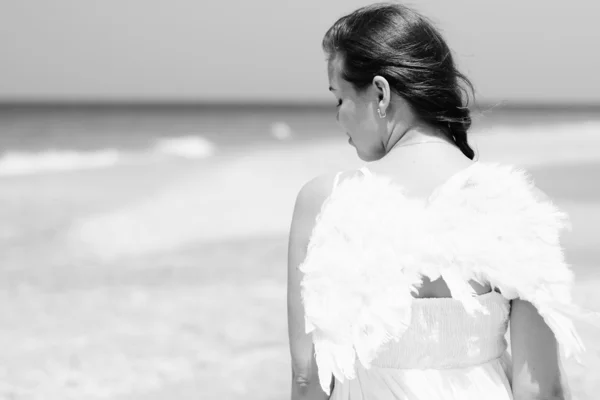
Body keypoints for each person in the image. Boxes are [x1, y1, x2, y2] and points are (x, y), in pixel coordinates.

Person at [286, 3, 600, 400]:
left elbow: (307, 378)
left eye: (340, 99)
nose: (339, 117)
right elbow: (541, 390)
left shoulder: (325, 202)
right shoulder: (517, 205)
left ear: (380, 93)